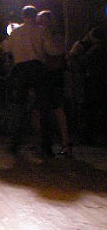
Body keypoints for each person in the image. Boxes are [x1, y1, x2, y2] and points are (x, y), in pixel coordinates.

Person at [2, 5, 56, 156]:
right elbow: (50, 49)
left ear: (23, 16)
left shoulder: (16, 32)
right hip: (38, 68)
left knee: (19, 107)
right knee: (43, 108)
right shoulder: (41, 30)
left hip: (21, 69)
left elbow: (7, 48)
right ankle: (46, 146)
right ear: (35, 16)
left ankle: (15, 143)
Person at [37, 9, 72, 155]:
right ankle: (50, 142)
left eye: (44, 22)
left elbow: (55, 52)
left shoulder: (55, 36)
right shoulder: (44, 35)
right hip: (46, 74)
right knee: (47, 110)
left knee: (57, 109)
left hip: (53, 74)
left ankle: (65, 142)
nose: (42, 25)